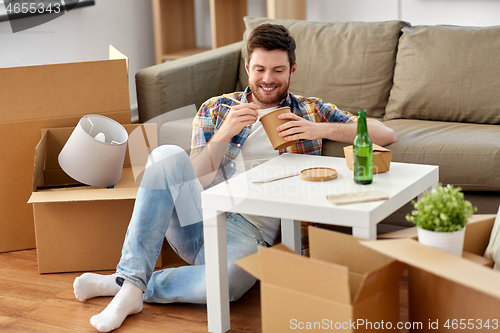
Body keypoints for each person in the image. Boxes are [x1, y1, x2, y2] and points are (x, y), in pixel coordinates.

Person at [73, 23, 397, 332]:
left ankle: (126, 285)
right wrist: (224, 134)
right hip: (200, 215)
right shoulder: (217, 108)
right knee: (164, 156)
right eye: (259, 69)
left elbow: (385, 133)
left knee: (227, 283)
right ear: (247, 67)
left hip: (249, 233)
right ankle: (130, 282)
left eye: (277, 70)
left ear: (292, 70)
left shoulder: (310, 110)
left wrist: (318, 129)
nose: (267, 79)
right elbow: (195, 179)